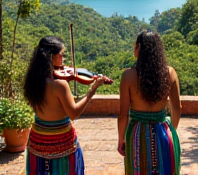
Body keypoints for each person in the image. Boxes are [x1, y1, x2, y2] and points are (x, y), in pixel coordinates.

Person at [24, 36, 105, 175]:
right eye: (61, 55)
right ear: (51, 57)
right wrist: (92, 91)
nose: (63, 60)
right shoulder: (60, 85)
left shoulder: (32, 81)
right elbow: (73, 113)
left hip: (38, 141)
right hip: (62, 144)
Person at [117, 30, 181, 175]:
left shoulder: (128, 76)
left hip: (137, 133)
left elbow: (123, 114)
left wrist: (121, 139)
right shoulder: (170, 73)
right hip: (163, 131)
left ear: (138, 48)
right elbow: (177, 109)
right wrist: (172, 131)